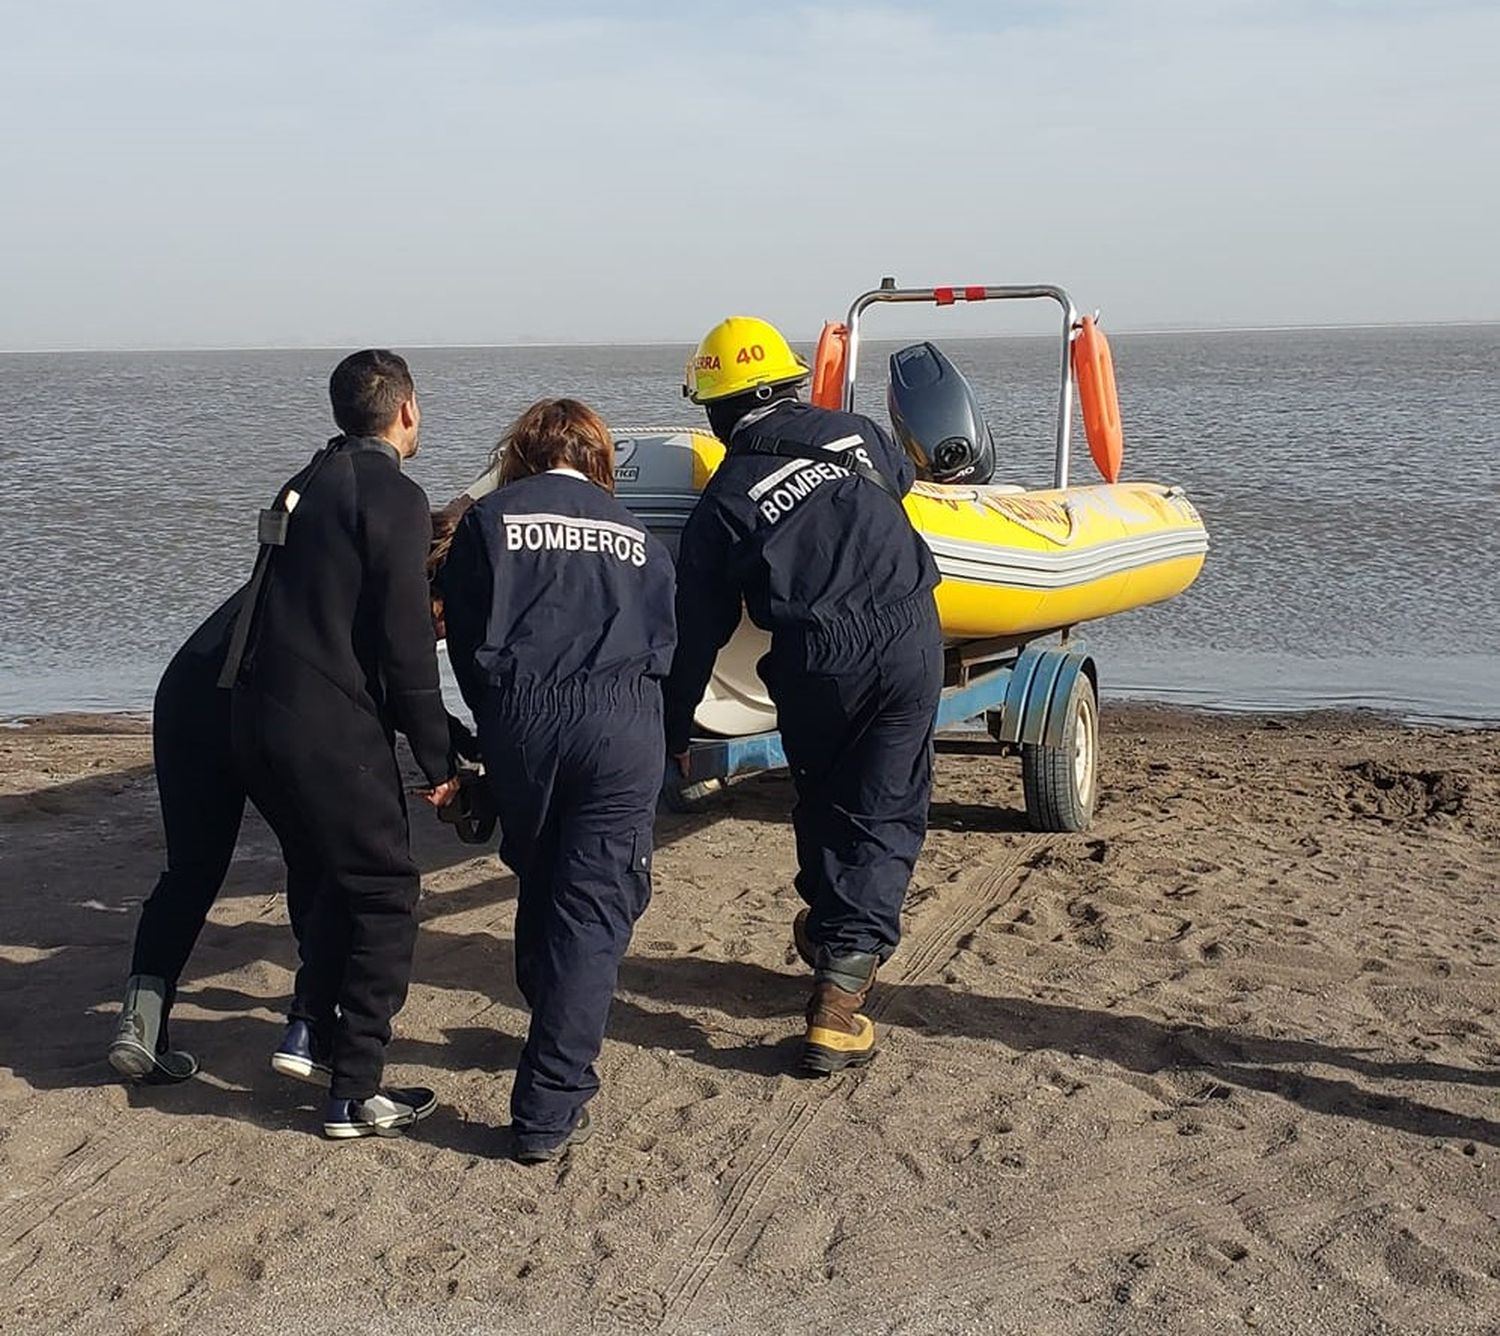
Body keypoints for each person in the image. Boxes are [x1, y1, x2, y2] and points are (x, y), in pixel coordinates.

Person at [107, 507, 481, 1085]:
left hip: (187, 694)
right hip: (258, 707)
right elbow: (397, 690)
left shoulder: (329, 565)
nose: (443, 633)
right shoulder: (387, 590)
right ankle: (315, 1023)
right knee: (322, 860)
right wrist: (456, 752)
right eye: (446, 619)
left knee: (190, 869)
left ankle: (142, 1015)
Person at [664, 316, 943, 1075]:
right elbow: (903, 486)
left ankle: (833, 940)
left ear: (717, 412)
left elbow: (696, 631)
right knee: (886, 806)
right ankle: (840, 986)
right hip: (906, 635)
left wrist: (672, 724)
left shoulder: (722, 502)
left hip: (816, 656)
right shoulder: (856, 433)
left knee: (824, 798)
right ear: (789, 385)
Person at [224, 349, 460, 1140]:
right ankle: (356, 1093)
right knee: (387, 894)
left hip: (256, 722)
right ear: (407, 411)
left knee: (330, 876)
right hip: (328, 730)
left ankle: (309, 1030)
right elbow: (404, 645)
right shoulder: (390, 492)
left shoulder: (305, 481)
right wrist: (439, 759)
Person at [440, 398, 676, 1164]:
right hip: (620, 715)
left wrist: (495, 731)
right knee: (596, 907)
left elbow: (468, 638)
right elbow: (664, 645)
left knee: (541, 877)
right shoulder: (638, 534)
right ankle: (547, 1108)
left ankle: (553, 1016)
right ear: (598, 457)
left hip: (524, 714)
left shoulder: (491, 519)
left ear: (523, 453)